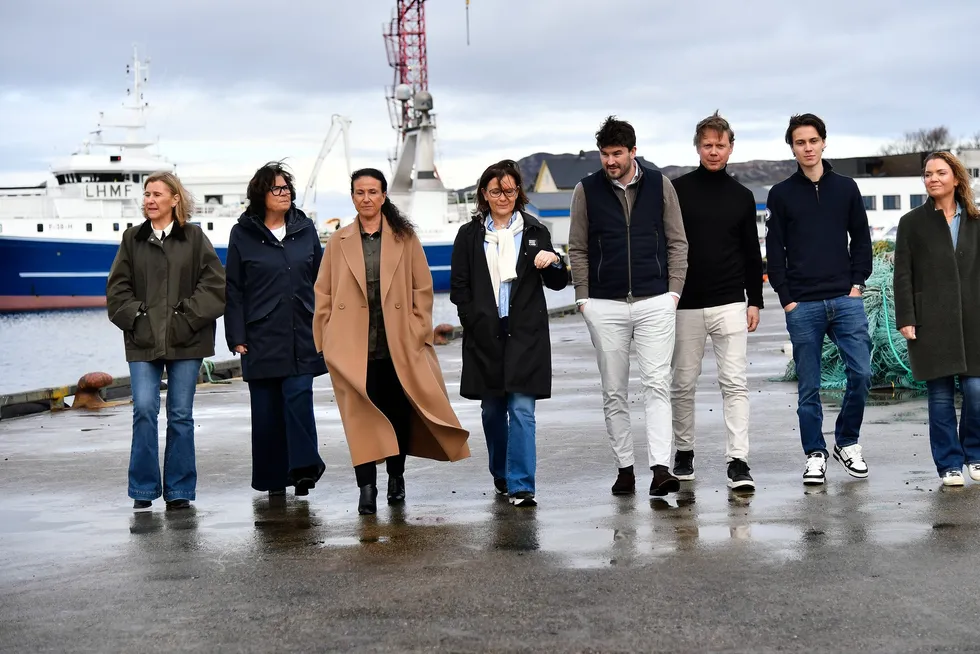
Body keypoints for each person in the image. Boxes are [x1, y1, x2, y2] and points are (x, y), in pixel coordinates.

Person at [313, 168, 470, 515]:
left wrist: (417, 330)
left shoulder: (405, 237)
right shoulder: (337, 242)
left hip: (397, 344)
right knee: (359, 419)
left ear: (384, 196)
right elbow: (322, 293)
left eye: (372, 192)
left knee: (397, 413)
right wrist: (325, 339)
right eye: (359, 192)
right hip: (352, 348)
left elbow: (422, 289)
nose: (366, 198)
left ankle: (396, 478)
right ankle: (366, 489)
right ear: (352, 197)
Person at [567, 116, 689, 497]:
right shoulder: (585, 190)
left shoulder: (659, 184)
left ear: (633, 151)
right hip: (605, 304)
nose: (610, 161)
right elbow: (578, 247)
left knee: (657, 385)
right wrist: (583, 298)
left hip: (655, 301)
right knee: (614, 391)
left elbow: (677, 242)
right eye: (604, 154)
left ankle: (660, 469)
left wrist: (673, 293)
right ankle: (625, 469)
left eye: (617, 153)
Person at [450, 160, 568, 507]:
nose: (504, 196)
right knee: (491, 411)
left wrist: (555, 259)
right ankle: (501, 472)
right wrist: (472, 319)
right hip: (485, 336)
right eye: (496, 190)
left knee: (522, 410)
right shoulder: (469, 235)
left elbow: (558, 283)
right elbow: (460, 287)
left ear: (519, 192)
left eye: (510, 189)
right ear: (483, 195)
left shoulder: (534, 231)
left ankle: (521, 485)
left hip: (525, 335)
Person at [106, 171, 225, 511]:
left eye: (157, 194)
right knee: (144, 409)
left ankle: (179, 491)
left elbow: (215, 286)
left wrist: (184, 319)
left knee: (180, 414)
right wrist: (139, 318)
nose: (149, 200)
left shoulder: (195, 238)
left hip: (187, 340)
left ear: (175, 200)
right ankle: (143, 490)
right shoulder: (132, 239)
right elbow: (117, 290)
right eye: (146, 194)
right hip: (143, 340)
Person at [765, 113, 873, 486]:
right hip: (803, 305)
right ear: (792, 147)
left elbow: (861, 239)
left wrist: (856, 284)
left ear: (824, 142)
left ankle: (847, 442)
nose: (807, 148)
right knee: (809, 387)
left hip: (845, 299)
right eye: (800, 142)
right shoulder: (780, 194)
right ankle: (814, 454)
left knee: (861, 373)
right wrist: (787, 298)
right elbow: (773, 249)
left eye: (813, 141)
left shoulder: (846, 188)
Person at [670, 111, 764, 491]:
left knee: (735, 383)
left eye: (720, 145)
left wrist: (754, 300)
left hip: (730, 302)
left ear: (731, 148)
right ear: (697, 147)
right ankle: (684, 452)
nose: (713, 151)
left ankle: (738, 461)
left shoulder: (742, 197)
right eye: (707, 145)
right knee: (682, 383)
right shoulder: (675, 191)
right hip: (684, 304)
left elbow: (751, 252)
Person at [225, 162, 327, 498]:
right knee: (267, 410)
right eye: (277, 189)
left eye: (287, 189)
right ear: (261, 195)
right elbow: (235, 287)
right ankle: (272, 480)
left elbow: (321, 278)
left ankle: (303, 470)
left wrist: (326, 321)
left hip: (302, 329)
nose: (285, 194)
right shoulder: (243, 233)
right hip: (260, 334)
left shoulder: (304, 228)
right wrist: (236, 336)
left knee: (298, 396)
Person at [894, 151, 980, 487]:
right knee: (941, 394)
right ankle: (949, 463)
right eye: (927, 174)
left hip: (974, 319)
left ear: (956, 178)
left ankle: (974, 453)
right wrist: (906, 317)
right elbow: (903, 274)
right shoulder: (912, 223)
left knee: (976, 391)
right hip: (930, 319)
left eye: (941, 173)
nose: (933, 179)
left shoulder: (975, 220)